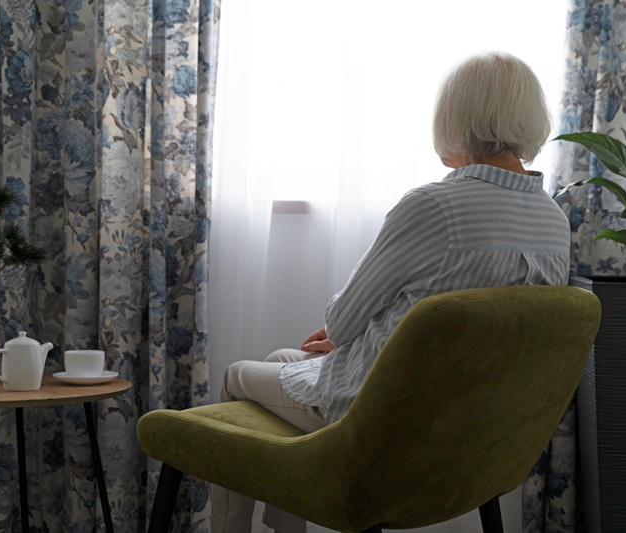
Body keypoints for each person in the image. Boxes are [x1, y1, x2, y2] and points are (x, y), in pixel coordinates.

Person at [211, 50, 571, 533]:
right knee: (282, 359)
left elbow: (342, 322)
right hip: (478, 437)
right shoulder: (555, 222)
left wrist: (342, 335)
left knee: (236, 377)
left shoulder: (434, 206)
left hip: (388, 425)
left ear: (454, 116)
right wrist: (344, 343)